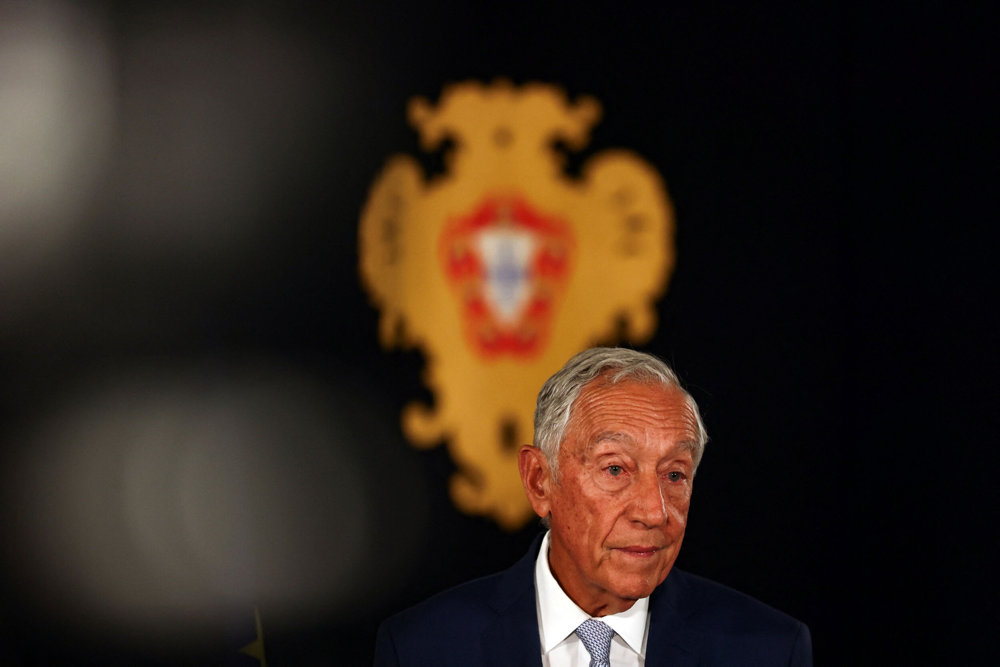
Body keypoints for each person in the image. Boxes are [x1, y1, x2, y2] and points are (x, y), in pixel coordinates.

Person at [374, 347, 812, 666]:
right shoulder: (424, 648)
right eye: (616, 470)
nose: (655, 512)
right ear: (539, 480)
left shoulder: (769, 649)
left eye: (674, 474)